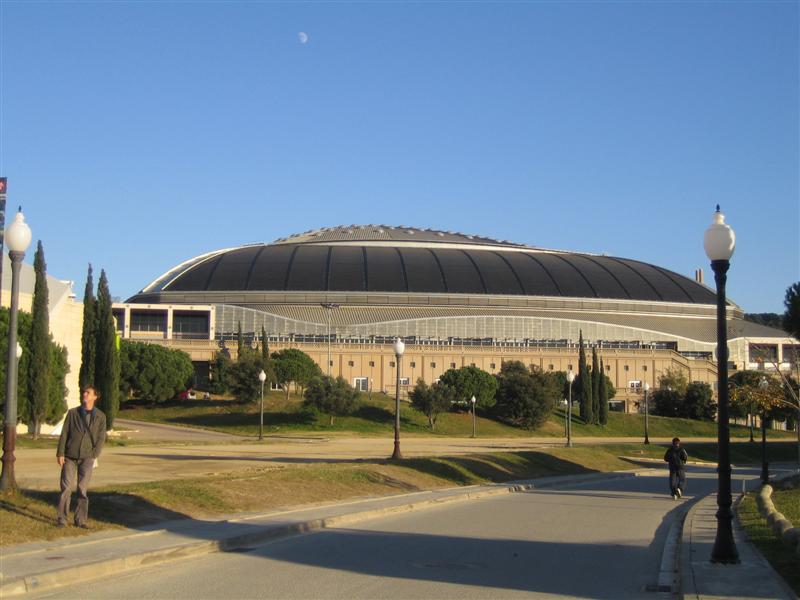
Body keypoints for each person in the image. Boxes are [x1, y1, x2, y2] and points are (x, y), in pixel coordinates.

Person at [56, 386, 107, 528]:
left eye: (88, 393)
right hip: (69, 456)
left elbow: (101, 437)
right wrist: (60, 453)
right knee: (66, 488)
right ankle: (62, 519)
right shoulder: (73, 413)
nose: (84, 394)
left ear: (95, 397)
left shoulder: (101, 416)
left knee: (82, 489)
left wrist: (94, 454)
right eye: (84, 392)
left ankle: (80, 520)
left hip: (87, 457)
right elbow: (64, 433)